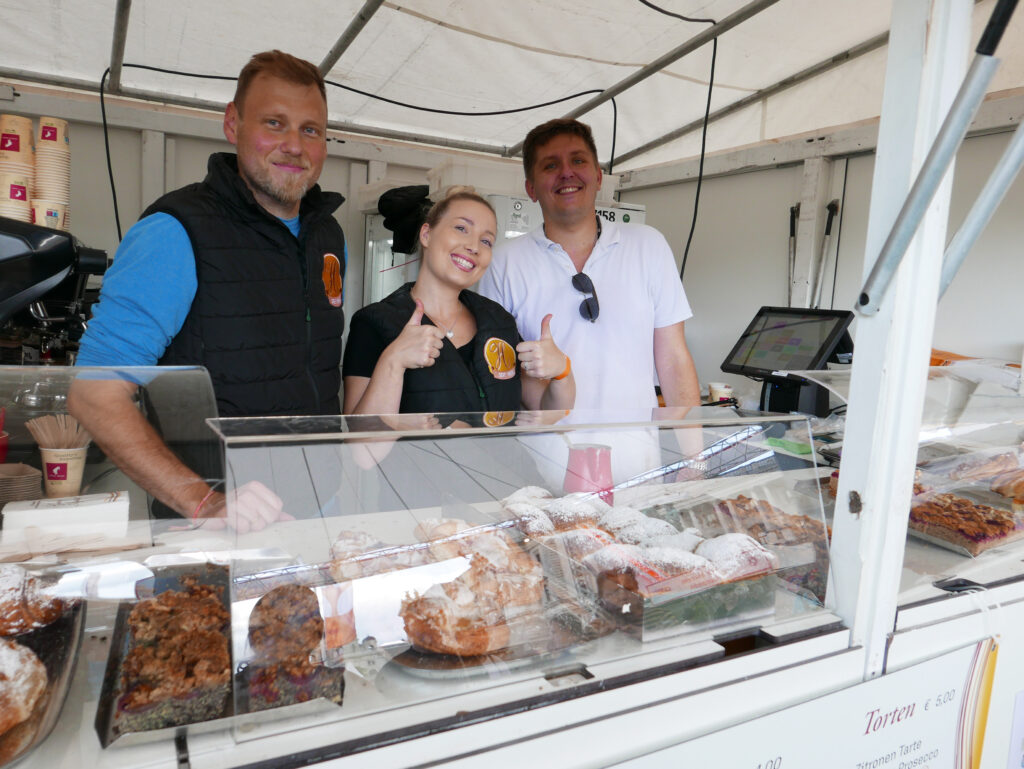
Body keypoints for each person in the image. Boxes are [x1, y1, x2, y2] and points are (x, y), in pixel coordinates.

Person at [68, 50, 345, 530]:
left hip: (315, 511)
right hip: (216, 526)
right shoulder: (175, 230)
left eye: (310, 129)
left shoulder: (327, 234)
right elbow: (95, 394)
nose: (295, 145)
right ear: (233, 125)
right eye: (275, 123)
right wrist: (204, 502)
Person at [477, 118, 700, 413]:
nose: (567, 172)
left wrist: (695, 456)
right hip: (544, 454)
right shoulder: (503, 263)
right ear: (531, 189)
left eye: (578, 160)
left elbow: (674, 358)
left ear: (598, 177)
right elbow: (502, 372)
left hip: (637, 454)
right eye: (550, 165)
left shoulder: (649, 245)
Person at [343, 188, 575, 417]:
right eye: (461, 228)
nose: (474, 246)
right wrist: (392, 361)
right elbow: (360, 445)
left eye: (486, 241)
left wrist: (562, 371)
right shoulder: (373, 322)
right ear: (426, 234)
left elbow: (546, 410)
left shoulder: (499, 321)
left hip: (500, 456)